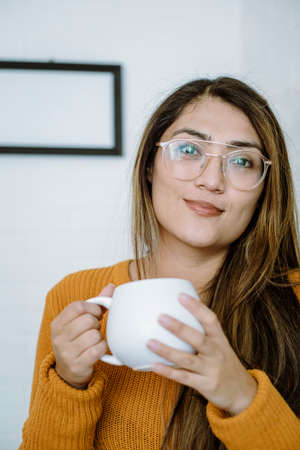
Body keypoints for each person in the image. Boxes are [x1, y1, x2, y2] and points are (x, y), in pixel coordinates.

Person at [20, 77, 300, 450]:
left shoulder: (294, 297)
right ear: (149, 166)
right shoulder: (75, 296)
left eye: (240, 161)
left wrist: (242, 397)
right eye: (188, 150)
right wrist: (69, 384)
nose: (211, 180)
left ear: (265, 189)